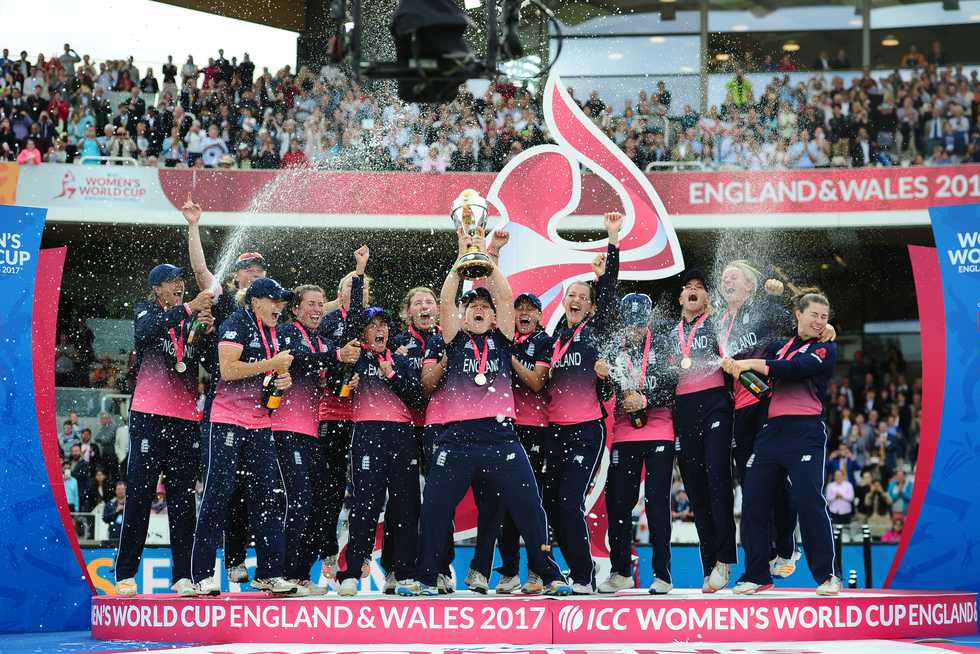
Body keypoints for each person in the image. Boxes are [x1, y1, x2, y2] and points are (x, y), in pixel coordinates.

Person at [403, 227, 571, 597]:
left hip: (501, 438)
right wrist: (463, 256)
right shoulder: (452, 338)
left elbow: (505, 295)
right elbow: (447, 301)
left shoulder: (502, 338)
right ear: (462, 316)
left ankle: (548, 573)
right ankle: (427, 577)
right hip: (457, 437)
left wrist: (487, 260)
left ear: (495, 318)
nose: (479, 310)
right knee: (434, 508)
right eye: (472, 307)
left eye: (485, 308)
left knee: (530, 506)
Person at [724, 289, 841, 595]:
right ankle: (757, 574)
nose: (819, 321)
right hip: (771, 432)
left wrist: (752, 364)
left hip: (805, 431)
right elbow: (754, 353)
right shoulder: (779, 346)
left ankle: (827, 576)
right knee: (753, 503)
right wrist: (735, 365)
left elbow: (795, 369)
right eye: (813, 315)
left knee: (808, 500)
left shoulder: (826, 349)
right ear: (798, 314)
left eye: (824, 317)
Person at [188, 277, 299, 596]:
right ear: (256, 302)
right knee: (216, 494)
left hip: (260, 423)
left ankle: (269, 573)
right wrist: (273, 364)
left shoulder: (274, 331)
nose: (280, 307)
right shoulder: (237, 323)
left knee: (266, 498)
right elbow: (227, 369)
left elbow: (267, 372)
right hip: (226, 422)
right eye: (275, 301)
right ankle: (201, 576)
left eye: (282, 301)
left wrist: (281, 379)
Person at [112, 263, 213, 597]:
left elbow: (212, 365)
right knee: (139, 496)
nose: (179, 286)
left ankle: (183, 576)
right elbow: (145, 333)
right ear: (156, 288)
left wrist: (209, 334)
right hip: (149, 415)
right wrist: (188, 308)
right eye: (172, 282)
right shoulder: (147, 311)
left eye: (181, 281)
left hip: (185, 420)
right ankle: (125, 574)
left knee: (184, 500)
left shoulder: (191, 320)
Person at [541, 211, 622, 594]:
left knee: (570, 501)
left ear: (589, 307)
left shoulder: (595, 331)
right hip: (554, 432)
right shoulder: (555, 337)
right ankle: (561, 572)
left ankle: (583, 576)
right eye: (570, 296)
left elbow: (608, 298)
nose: (575, 300)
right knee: (552, 505)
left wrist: (612, 242)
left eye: (581, 298)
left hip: (586, 431)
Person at [272, 284, 357, 594]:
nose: (317, 309)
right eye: (310, 303)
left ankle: (299, 574)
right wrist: (336, 355)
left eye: (321, 304)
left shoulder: (320, 341)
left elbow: (333, 380)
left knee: (318, 505)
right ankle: (280, 572)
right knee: (299, 501)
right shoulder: (287, 333)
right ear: (296, 309)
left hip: (311, 432)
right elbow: (297, 359)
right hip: (283, 429)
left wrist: (349, 376)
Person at [336, 307, 424, 596]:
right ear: (363, 332)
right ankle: (351, 573)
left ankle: (402, 571)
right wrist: (347, 381)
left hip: (402, 434)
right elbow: (338, 385)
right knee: (365, 505)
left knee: (406, 505)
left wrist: (393, 375)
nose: (380, 330)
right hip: (368, 433)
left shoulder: (401, 359)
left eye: (384, 325)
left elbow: (416, 397)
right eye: (373, 325)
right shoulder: (356, 357)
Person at [600, 293, 679, 595]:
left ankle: (663, 574)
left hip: (660, 431)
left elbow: (674, 382)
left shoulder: (662, 344)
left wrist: (645, 398)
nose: (635, 328)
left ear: (648, 320)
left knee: (656, 504)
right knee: (618, 503)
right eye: (631, 323)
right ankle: (620, 572)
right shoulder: (614, 346)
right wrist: (603, 378)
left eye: (640, 323)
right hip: (625, 433)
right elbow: (604, 392)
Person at [672, 269, 736, 593]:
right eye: (688, 287)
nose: (694, 291)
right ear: (681, 297)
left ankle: (725, 558)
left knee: (717, 479)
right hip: (683, 411)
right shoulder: (670, 334)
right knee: (696, 491)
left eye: (700, 287)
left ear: (707, 298)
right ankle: (710, 562)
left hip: (714, 404)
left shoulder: (716, 324)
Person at [312, 248, 369, 582]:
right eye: (349, 286)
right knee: (330, 491)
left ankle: (360, 553)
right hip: (332, 416)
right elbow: (317, 359)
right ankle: (328, 552)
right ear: (339, 293)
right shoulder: (326, 324)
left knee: (365, 490)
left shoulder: (372, 324)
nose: (354, 291)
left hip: (363, 419)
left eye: (359, 286)